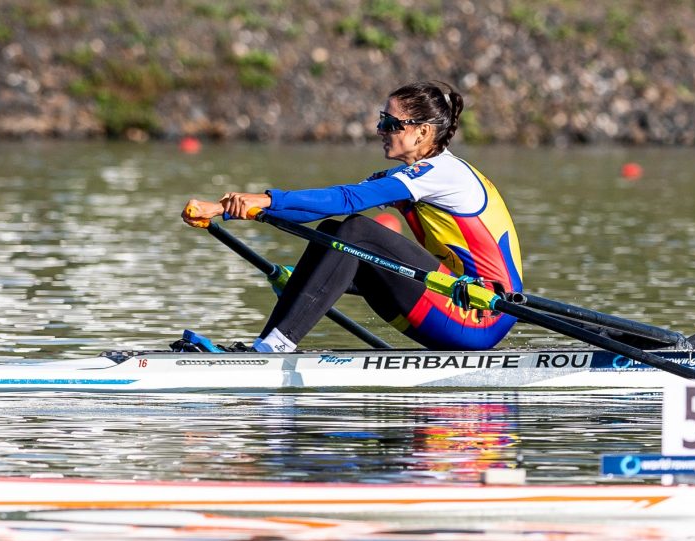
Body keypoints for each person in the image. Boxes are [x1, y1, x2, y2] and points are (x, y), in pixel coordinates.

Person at [181, 81, 523, 353]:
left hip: (479, 313)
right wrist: (240, 211)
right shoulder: (412, 176)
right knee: (335, 232)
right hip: (447, 301)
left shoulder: (440, 173)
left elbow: (346, 200)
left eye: (390, 123)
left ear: (422, 132)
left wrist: (259, 200)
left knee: (355, 230)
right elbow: (322, 207)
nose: (379, 129)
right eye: (381, 120)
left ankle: (274, 348)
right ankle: (269, 344)